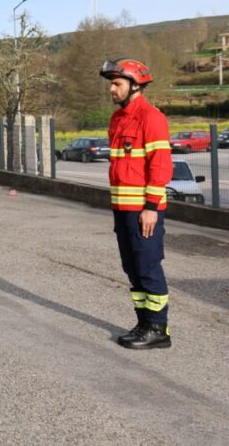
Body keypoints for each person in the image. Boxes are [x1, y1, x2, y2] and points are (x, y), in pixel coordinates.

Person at [100, 58, 173, 350]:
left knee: (147, 266)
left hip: (143, 210)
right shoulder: (118, 119)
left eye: (117, 84)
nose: (112, 89)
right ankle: (144, 322)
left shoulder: (151, 117)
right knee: (132, 267)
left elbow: (160, 166)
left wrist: (152, 208)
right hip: (122, 209)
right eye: (111, 84)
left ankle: (158, 328)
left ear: (134, 84)